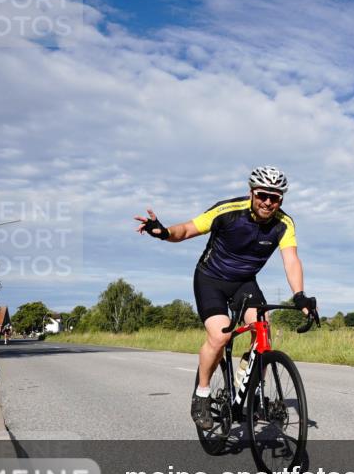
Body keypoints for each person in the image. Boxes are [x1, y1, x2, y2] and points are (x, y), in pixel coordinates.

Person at [134, 166, 316, 430]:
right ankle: (202, 394)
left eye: (274, 198)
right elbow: (186, 229)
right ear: (252, 192)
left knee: (263, 328)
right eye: (263, 195)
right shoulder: (228, 211)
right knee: (220, 335)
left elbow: (291, 260)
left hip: (244, 282)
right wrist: (164, 233)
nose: (268, 202)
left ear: (281, 200)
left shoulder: (284, 224)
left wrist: (299, 295)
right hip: (211, 278)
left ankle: (249, 385)